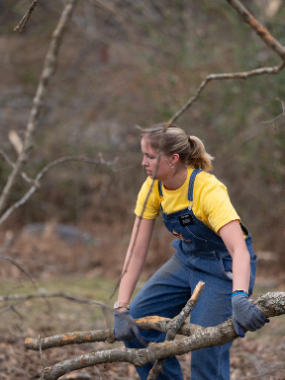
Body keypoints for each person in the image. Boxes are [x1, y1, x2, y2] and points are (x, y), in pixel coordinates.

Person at [113, 123, 269, 380]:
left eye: (150, 156)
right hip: (186, 259)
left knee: (206, 347)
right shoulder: (152, 187)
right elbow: (136, 252)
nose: (143, 162)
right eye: (143, 155)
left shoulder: (207, 189)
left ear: (173, 159)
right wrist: (121, 307)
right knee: (139, 324)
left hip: (224, 267)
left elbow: (239, 250)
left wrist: (239, 296)